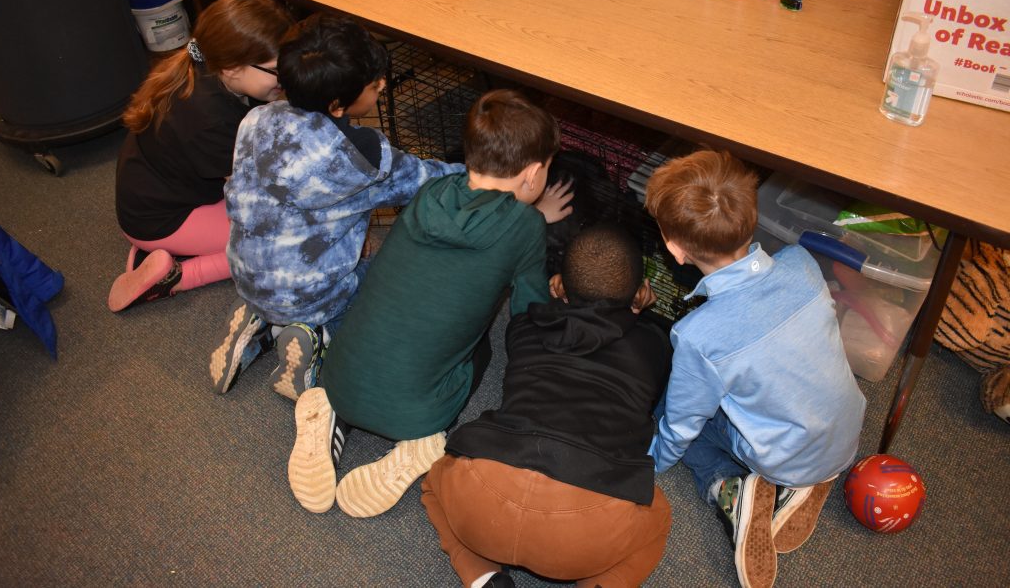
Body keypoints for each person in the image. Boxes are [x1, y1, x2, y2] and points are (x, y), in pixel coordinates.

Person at [286, 89, 573, 517]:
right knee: (482, 347)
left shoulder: (430, 193)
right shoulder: (524, 227)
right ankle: (419, 443)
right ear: (533, 175)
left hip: (339, 375)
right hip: (417, 413)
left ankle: (327, 410)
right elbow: (529, 312)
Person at [209, 15, 463, 406]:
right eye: (375, 88)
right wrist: (479, 174)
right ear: (337, 105)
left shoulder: (256, 119)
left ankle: (258, 318)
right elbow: (426, 179)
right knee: (387, 284)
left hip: (247, 275)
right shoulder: (363, 158)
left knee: (291, 255)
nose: (380, 91)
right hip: (311, 293)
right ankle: (316, 338)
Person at [643, 150, 866, 588]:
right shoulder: (803, 263)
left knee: (673, 413)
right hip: (847, 431)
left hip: (783, 456)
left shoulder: (697, 335)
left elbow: (682, 426)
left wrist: (649, 467)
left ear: (675, 248)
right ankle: (813, 472)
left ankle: (729, 488)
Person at [420, 223, 672, 588]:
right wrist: (640, 312)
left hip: (487, 497)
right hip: (582, 531)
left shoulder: (523, 327)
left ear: (558, 287)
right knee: (658, 517)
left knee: (434, 483)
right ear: (642, 293)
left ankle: (483, 577)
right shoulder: (655, 346)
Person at [109, 0, 294, 313]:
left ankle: (161, 253)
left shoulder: (208, 71)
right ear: (235, 67)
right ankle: (175, 276)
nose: (284, 79)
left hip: (159, 198)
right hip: (162, 220)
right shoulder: (208, 117)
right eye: (277, 70)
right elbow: (256, 192)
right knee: (286, 239)